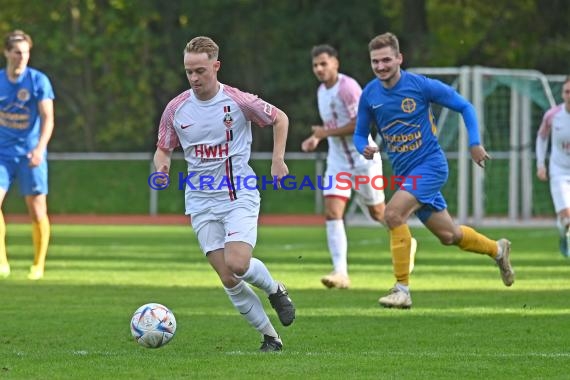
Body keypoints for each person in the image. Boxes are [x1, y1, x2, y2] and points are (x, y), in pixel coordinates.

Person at [153, 36, 295, 352]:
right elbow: (163, 149)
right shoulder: (176, 108)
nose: (193, 78)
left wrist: (277, 159)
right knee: (228, 278)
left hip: (238, 195)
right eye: (189, 71)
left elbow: (279, 118)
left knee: (239, 264)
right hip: (200, 202)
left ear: (216, 66)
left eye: (200, 70)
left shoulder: (237, 101)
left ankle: (275, 289)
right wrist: (161, 167)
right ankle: (271, 337)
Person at [353, 32, 515, 309]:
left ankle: (402, 289)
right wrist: (363, 147)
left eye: (386, 60)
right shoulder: (370, 94)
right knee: (450, 236)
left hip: (430, 166)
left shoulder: (420, 86)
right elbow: (359, 134)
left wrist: (475, 143)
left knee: (392, 214)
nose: (381, 66)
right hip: (406, 175)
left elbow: (465, 106)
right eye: (375, 62)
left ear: (399, 59)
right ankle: (498, 250)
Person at [301, 44, 416, 289]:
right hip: (338, 162)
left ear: (336, 63)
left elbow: (360, 124)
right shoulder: (322, 91)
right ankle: (340, 273)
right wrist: (317, 138)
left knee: (379, 214)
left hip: (363, 160)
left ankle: (405, 238)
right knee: (333, 213)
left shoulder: (348, 87)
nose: (319, 69)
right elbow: (330, 126)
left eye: (324, 63)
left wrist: (324, 133)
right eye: (315, 65)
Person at [0, 30, 54, 280]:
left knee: (36, 211)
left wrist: (40, 148)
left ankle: (38, 264)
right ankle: (2, 262)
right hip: (2, 154)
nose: (22, 57)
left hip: (31, 153)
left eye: (26, 52)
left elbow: (47, 117)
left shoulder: (38, 81)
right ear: (7, 53)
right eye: (17, 52)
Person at [536, 77, 570, 258]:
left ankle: (565, 232)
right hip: (559, 172)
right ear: (563, 94)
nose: (569, 96)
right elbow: (541, 138)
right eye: (567, 92)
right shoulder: (553, 115)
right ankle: (565, 236)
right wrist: (541, 164)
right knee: (567, 216)